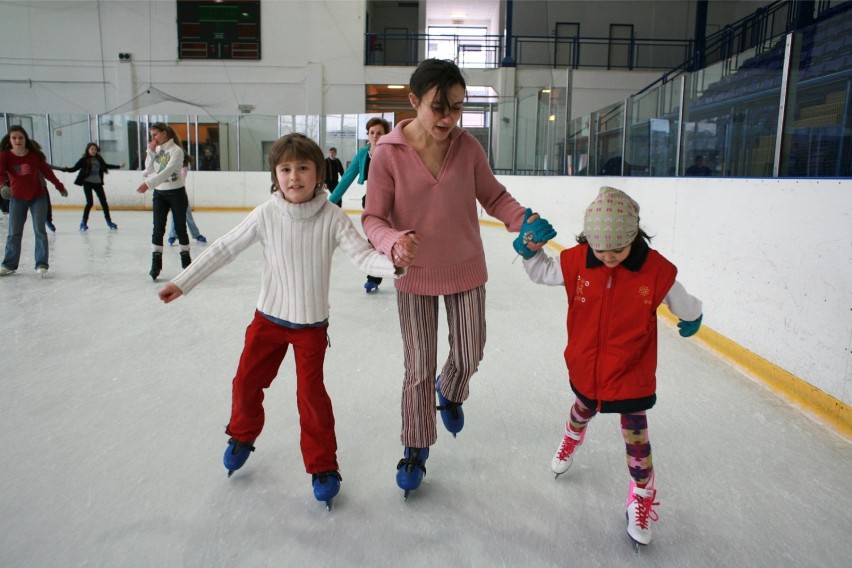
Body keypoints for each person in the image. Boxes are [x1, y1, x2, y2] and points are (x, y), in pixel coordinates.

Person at [156, 133, 401, 509]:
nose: (294, 176)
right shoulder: (266, 214)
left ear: (319, 174)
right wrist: (183, 282)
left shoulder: (333, 218)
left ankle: (323, 467)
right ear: (275, 174)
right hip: (267, 321)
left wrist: (395, 264)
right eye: (285, 168)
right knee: (245, 383)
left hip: (310, 328)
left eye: (303, 168)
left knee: (311, 398)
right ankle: (241, 435)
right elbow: (224, 248)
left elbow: (364, 257)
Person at [361, 58, 557, 498]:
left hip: (466, 268)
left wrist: (523, 220)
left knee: (470, 351)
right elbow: (372, 217)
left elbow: (494, 196)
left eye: (456, 107)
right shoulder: (386, 154)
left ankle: (449, 391)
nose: (448, 117)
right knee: (417, 366)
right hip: (413, 274)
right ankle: (415, 446)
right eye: (438, 107)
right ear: (413, 102)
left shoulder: (467, 147)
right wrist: (392, 240)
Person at [513, 186, 703, 546]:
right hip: (587, 365)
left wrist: (693, 314)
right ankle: (571, 438)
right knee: (580, 410)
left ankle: (642, 496)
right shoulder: (579, 262)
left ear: (634, 237)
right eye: (600, 249)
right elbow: (543, 273)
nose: (609, 257)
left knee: (638, 441)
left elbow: (680, 298)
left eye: (618, 249)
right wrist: (529, 252)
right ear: (589, 241)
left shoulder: (654, 271)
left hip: (631, 371)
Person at [328, 117, 392, 293]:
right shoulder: (363, 154)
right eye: (372, 132)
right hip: (372, 199)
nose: (375, 136)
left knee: (400, 236)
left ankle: (409, 273)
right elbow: (347, 177)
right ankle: (373, 277)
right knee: (374, 238)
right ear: (367, 135)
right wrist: (330, 202)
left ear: (386, 134)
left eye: (379, 133)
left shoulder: (393, 151)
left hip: (396, 200)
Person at [0, 126, 68, 277]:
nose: (18, 140)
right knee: (14, 233)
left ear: (25, 139)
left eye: (20, 137)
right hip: (17, 198)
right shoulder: (4, 156)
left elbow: (47, 172)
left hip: (38, 197)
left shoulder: (34, 156)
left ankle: (41, 263)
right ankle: (9, 264)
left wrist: (59, 186)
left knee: (40, 231)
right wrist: (2, 186)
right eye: (14, 138)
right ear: (9, 140)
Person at [136, 122, 191, 280]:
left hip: (177, 193)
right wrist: (150, 152)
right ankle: (156, 263)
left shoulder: (177, 151)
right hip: (160, 194)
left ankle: (186, 261)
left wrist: (148, 184)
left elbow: (167, 172)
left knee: (180, 227)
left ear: (165, 133)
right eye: (151, 136)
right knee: (158, 228)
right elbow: (150, 169)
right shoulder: (158, 149)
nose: (153, 138)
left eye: (155, 135)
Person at [62, 142, 125, 231]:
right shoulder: (83, 159)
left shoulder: (99, 159)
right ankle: (83, 223)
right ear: (88, 150)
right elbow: (74, 168)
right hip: (87, 182)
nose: (94, 151)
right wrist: (65, 169)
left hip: (97, 183)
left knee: (104, 202)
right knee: (90, 203)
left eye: (95, 149)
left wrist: (119, 166)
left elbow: (106, 166)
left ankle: (109, 222)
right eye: (92, 149)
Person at [168, 154, 207, 245]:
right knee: (176, 214)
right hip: (171, 191)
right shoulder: (169, 164)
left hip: (180, 191)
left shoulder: (183, 166)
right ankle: (174, 235)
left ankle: (175, 235)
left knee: (186, 213)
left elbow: (180, 178)